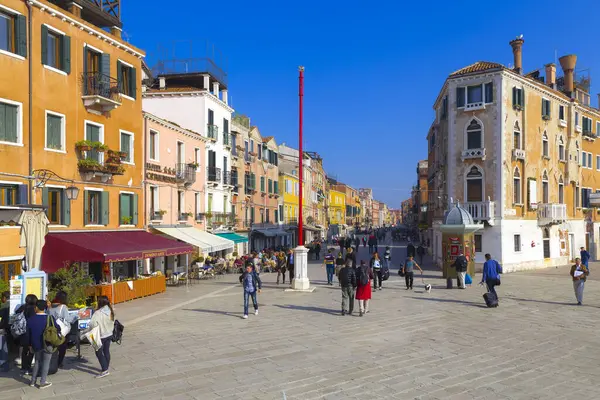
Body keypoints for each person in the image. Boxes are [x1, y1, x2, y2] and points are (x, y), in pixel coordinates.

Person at [27, 300, 57, 389]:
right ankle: (42, 382)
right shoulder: (50, 318)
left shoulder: (31, 319)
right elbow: (57, 328)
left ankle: (32, 381)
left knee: (37, 361)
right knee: (46, 363)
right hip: (48, 344)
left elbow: (28, 333)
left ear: (36, 307)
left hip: (36, 344)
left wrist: (29, 344)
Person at [86, 296, 115, 378]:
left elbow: (92, 324)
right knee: (106, 351)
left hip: (101, 335)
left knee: (98, 352)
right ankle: (106, 366)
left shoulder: (97, 313)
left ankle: (104, 369)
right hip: (109, 334)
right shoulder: (109, 310)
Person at [47, 291, 74, 369]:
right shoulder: (63, 307)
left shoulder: (50, 306)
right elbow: (68, 319)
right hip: (63, 330)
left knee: (54, 346)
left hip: (52, 329)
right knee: (62, 347)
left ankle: (53, 361)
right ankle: (59, 363)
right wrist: (76, 316)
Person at [16, 294, 38, 375]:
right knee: (31, 350)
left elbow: (16, 313)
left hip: (22, 331)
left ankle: (23, 367)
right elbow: (33, 321)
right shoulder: (32, 309)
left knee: (24, 350)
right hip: (29, 331)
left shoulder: (23, 307)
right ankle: (28, 368)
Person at [0, 291, 10, 372]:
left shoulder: (4, 305)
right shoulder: (13, 304)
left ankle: (4, 364)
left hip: (3, 327)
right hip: (11, 327)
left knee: (3, 346)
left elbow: (2, 317)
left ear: (4, 298)